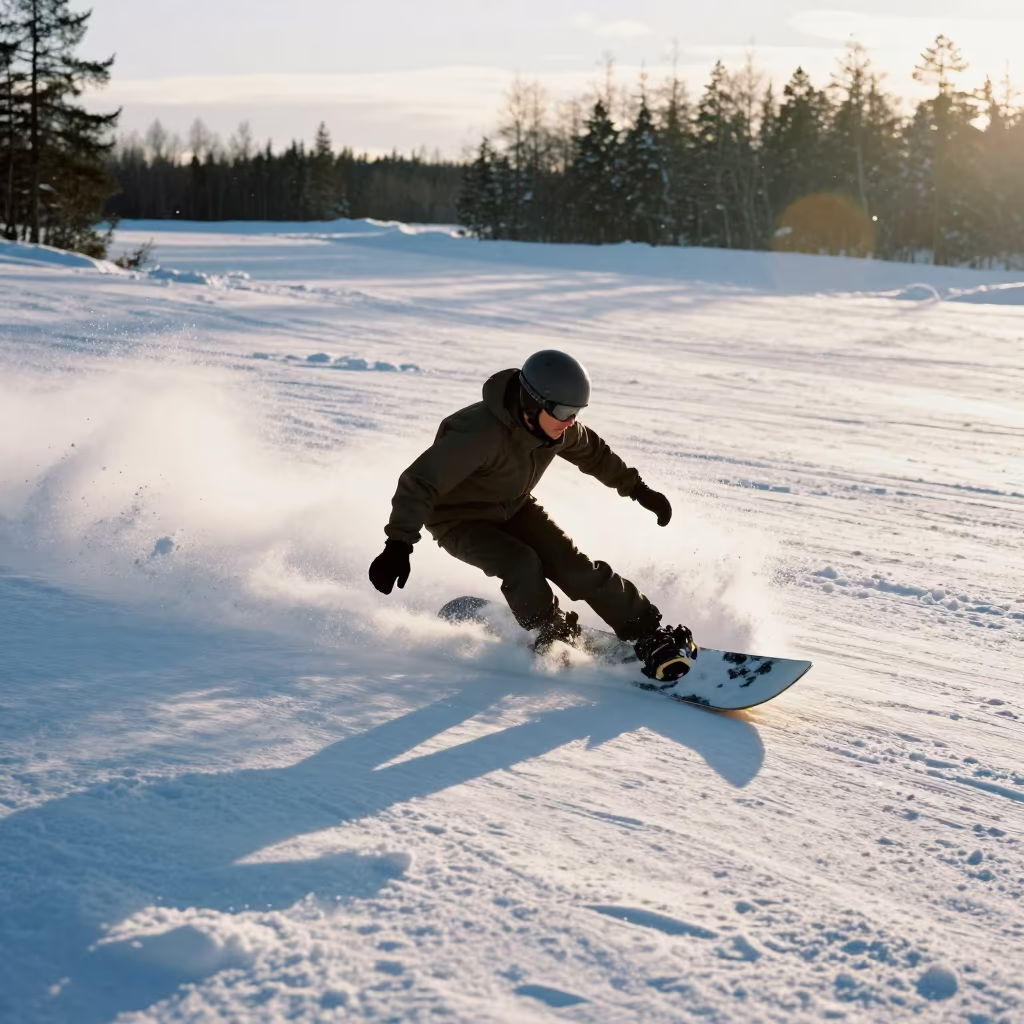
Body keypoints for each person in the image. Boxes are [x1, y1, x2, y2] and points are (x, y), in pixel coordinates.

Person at [368, 350, 696, 683]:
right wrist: (398, 544)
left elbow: (595, 455)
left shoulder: (557, 428)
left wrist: (639, 490)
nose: (571, 421)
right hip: (457, 520)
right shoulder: (478, 433)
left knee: (575, 568)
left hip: (515, 506)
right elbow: (420, 482)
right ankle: (551, 630)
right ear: (532, 402)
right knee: (521, 564)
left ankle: (647, 632)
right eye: (565, 412)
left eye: (577, 412)